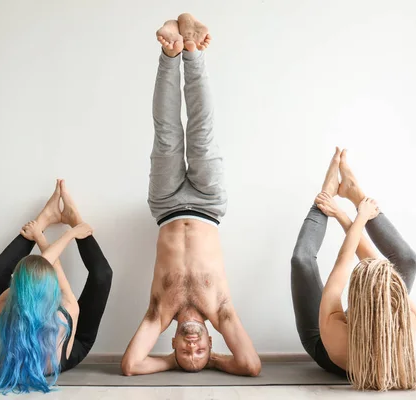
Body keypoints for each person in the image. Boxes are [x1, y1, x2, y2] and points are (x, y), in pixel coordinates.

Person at [120, 14, 261, 377]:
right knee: (202, 129)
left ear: (173, 343)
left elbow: (132, 365)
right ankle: (194, 50)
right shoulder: (221, 310)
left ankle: (171, 50)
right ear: (213, 341)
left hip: (166, 205)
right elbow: (250, 365)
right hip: (208, 205)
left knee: (166, 131)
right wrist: (213, 362)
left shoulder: (159, 313)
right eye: (201, 352)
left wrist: (172, 364)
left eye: (187, 354)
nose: (193, 347)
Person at [290, 148, 416, 391]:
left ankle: (325, 194)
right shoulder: (410, 318)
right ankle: (355, 193)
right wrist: (352, 211)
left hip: (324, 345)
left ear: (355, 300)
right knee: (410, 261)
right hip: (354, 338)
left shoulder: (336, 329)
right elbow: (381, 269)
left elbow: (345, 258)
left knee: (301, 261)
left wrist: (348, 216)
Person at [0, 180, 113, 393]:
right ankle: (76, 220)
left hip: (46, 338)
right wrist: (71, 232)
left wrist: (39, 230)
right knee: (103, 276)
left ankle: (44, 219)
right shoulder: (67, 311)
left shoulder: (4, 306)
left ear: (17, 286)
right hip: (72, 347)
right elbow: (54, 264)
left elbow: (34, 273)